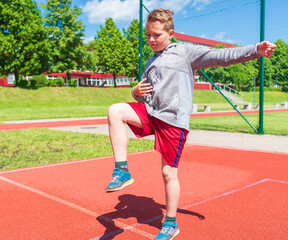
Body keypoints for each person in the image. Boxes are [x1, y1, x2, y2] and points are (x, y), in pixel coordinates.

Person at [105, 8, 276, 240]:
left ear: (171, 33)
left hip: (173, 122)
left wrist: (255, 50)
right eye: (148, 35)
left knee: (168, 173)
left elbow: (223, 57)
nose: (152, 40)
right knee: (115, 110)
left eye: (157, 35)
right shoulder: (150, 61)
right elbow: (146, 95)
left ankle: (171, 223)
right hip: (151, 113)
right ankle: (122, 170)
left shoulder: (186, 53)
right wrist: (135, 92)